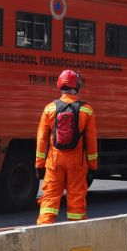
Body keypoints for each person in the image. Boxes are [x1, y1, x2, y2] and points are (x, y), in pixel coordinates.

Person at [36, 70, 98, 224]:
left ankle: (43, 232)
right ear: (76, 86)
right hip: (77, 163)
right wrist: (93, 166)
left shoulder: (49, 108)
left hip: (54, 161)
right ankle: (75, 235)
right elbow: (91, 141)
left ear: (60, 86)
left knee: (49, 199)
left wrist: (39, 164)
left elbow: (41, 139)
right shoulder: (86, 110)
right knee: (76, 199)